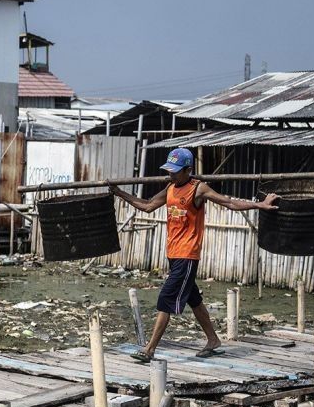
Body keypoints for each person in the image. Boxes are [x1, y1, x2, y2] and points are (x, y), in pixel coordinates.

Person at [109, 148, 279, 360]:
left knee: (165, 299)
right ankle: (213, 339)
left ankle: (149, 349)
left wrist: (259, 205)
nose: (171, 175)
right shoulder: (170, 188)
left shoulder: (198, 189)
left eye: (176, 171)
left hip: (187, 254)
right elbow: (148, 206)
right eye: (169, 171)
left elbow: (228, 202)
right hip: (173, 254)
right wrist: (119, 192)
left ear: (188, 170)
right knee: (193, 299)